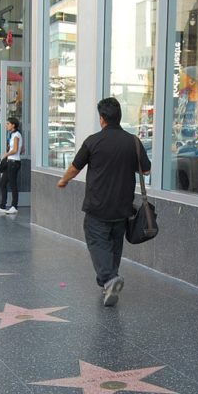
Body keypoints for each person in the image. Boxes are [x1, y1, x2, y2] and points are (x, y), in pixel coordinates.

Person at [57, 97, 151, 307]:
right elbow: (146, 170)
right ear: (119, 117)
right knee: (114, 245)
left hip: (98, 206)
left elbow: (75, 168)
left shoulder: (93, 141)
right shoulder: (133, 141)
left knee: (97, 243)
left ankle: (109, 279)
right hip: (123, 207)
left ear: (102, 118)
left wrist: (63, 180)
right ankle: (109, 283)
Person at [0, 117, 22, 215]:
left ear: (13, 125)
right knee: (2, 183)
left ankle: (14, 206)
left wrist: (6, 154)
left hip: (14, 162)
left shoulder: (16, 135)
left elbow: (15, 150)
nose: (6, 125)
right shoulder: (12, 135)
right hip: (10, 162)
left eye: (8, 124)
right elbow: (22, 149)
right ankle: (2, 206)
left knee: (13, 184)